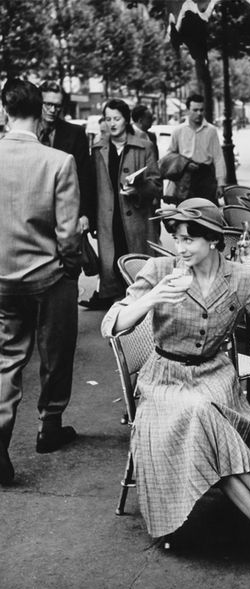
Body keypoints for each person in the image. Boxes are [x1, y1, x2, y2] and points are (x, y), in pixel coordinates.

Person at [101, 198, 250, 589]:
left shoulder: (239, 277)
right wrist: (152, 299)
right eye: (176, 238)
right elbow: (112, 324)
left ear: (215, 241)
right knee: (199, 414)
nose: (180, 248)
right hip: (164, 379)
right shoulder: (161, 271)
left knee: (204, 416)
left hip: (216, 376)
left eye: (190, 240)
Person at [0, 79, 82, 485]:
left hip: (1, 278)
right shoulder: (58, 161)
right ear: (40, 114)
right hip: (48, 275)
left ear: (4, 112)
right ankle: (49, 426)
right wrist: (71, 266)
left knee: (6, 359)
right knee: (56, 350)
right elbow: (68, 233)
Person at [80, 99, 162, 310]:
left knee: (137, 266)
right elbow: (91, 187)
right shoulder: (98, 149)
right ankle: (120, 319)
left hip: (138, 220)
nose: (112, 123)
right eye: (108, 119)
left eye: (117, 118)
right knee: (112, 267)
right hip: (108, 219)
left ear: (126, 119)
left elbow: (156, 184)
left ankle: (140, 315)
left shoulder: (144, 147)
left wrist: (138, 190)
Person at [38, 80, 94, 235]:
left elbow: (85, 176)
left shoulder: (75, 133)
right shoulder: (29, 132)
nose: (52, 110)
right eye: (47, 104)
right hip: (35, 213)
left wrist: (85, 213)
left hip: (67, 213)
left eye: (57, 106)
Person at [166, 93, 225, 204]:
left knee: (207, 212)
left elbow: (218, 157)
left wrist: (220, 183)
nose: (199, 113)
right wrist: (183, 164)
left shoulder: (211, 130)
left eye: (201, 110)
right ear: (188, 110)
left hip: (206, 176)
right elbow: (170, 155)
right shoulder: (179, 131)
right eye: (195, 110)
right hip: (185, 177)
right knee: (185, 212)